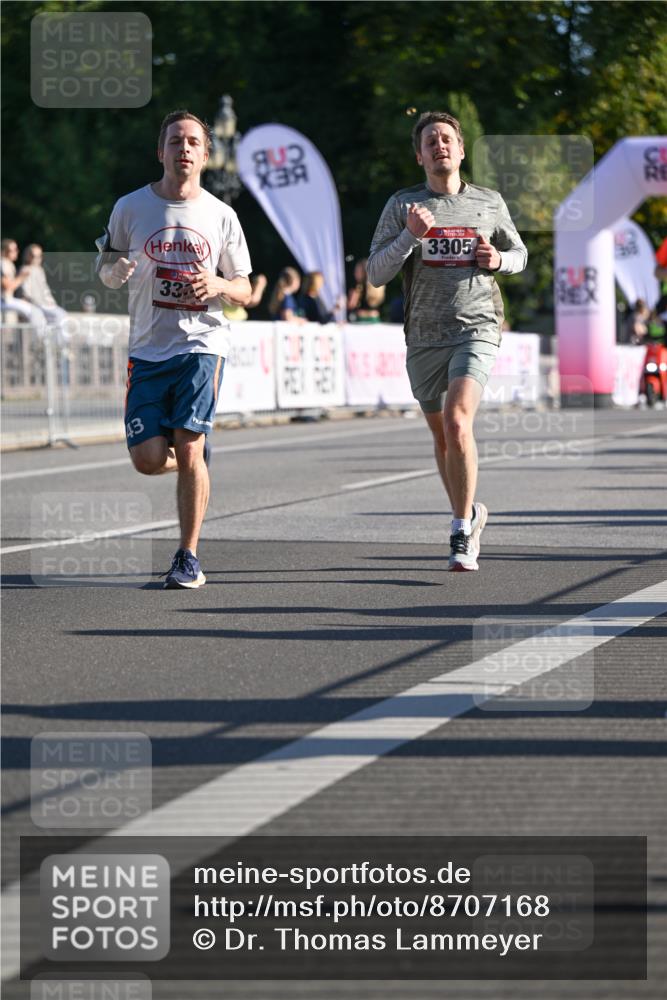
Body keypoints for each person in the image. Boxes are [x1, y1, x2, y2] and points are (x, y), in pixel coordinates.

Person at [97, 109, 252, 589]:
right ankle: (195, 466)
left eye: (192, 142)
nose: (183, 149)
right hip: (147, 349)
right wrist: (113, 272)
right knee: (147, 460)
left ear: (205, 154)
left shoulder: (221, 214)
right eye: (174, 141)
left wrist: (219, 284)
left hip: (202, 345)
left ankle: (188, 556)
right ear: (159, 151)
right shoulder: (129, 207)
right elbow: (105, 264)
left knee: (188, 447)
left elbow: (246, 288)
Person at [367, 110, 527, 571]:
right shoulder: (403, 205)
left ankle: (459, 529)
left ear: (460, 150)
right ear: (419, 156)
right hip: (423, 336)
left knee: (458, 422)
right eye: (430, 140)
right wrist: (408, 237)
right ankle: (471, 511)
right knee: (443, 438)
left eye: (447, 139)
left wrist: (498, 259)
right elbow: (376, 274)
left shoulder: (488, 202)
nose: (440, 145)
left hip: (476, 327)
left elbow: (520, 253)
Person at [19, 244, 69, 342]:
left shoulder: (40, 270)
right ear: (28, 256)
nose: (37, 259)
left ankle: (60, 345)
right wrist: (41, 304)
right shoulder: (25, 270)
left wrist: (52, 302)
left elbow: (45, 289)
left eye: (39, 256)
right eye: (34, 256)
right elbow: (26, 292)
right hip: (36, 304)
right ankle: (58, 345)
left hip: (44, 304)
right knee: (59, 315)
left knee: (61, 314)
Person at [1, 238, 46, 331]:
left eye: (16, 249)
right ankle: (40, 341)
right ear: (4, 251)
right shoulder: (3, 263)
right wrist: (21, 277)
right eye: (13, 250)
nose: (16, 252)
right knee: (34, 312)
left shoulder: (7, 263)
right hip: (3, 300)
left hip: (6, 300)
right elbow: (8, 287)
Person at [347, 257, 385, 322]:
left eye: (357, 271)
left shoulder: (358, 287)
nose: (354, 274)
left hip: (362, 319)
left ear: (363, 272)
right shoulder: (378, 286)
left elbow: (351, 305)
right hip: (375, 318)